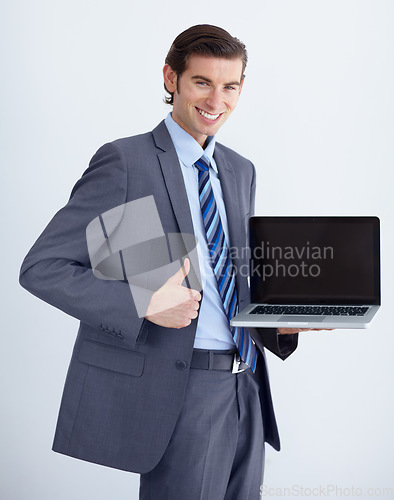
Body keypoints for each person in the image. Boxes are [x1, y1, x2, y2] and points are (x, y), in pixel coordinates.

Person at [20, 24, 302, 500]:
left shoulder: (239, 169)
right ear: (171, 78)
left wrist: (280, 324)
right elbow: (43, 268)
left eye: (230, 86)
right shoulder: (127, 162)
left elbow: (234, 276)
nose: (217, 101)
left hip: (249, 384)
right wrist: (143, 301)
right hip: (183, 386)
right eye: (202, 83)